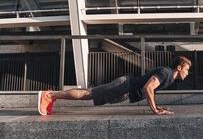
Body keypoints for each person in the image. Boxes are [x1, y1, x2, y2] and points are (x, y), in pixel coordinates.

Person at [38, 56, 191, 116]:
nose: (187, 73)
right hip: (124, 86)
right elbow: (148, 88)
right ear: (179, 68)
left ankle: (52, 96)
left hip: (124, 90)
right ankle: (49, 95)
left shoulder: (169, 76)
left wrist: (157, 107)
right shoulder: (166, 72)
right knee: (88, 94)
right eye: (187, 69)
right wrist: (155, 110)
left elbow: (149, 88)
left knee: (89, 95)